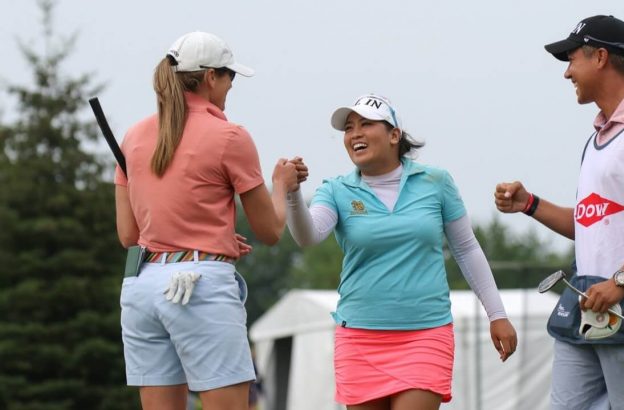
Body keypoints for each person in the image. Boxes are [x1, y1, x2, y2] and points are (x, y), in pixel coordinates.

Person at [494, 15, 624, 409]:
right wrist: (530, 205)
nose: (567, 72)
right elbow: (591, 224)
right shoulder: (597, 140)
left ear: (601, 57)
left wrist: (621, 280)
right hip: (592, 297)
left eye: (572, 59)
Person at [286, 94, 518, 409]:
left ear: (394, 135)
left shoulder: (436, 182)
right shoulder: (336, 190)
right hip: (359, 336)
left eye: (366, 124)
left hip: (425, 334)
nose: (355, 133)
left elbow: (466, 248)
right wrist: (292, 195)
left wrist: (497, 314)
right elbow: (308, 235)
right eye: (349, 127)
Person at [114, 31, 300, 409]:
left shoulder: (133, 136)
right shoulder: (230, 136)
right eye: (230, 76)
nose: (232, 86)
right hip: (198, 288)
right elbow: (271, 230)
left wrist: (211, 238)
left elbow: (129, 234)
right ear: (211, 77)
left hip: (142, 289)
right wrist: (281, 185)